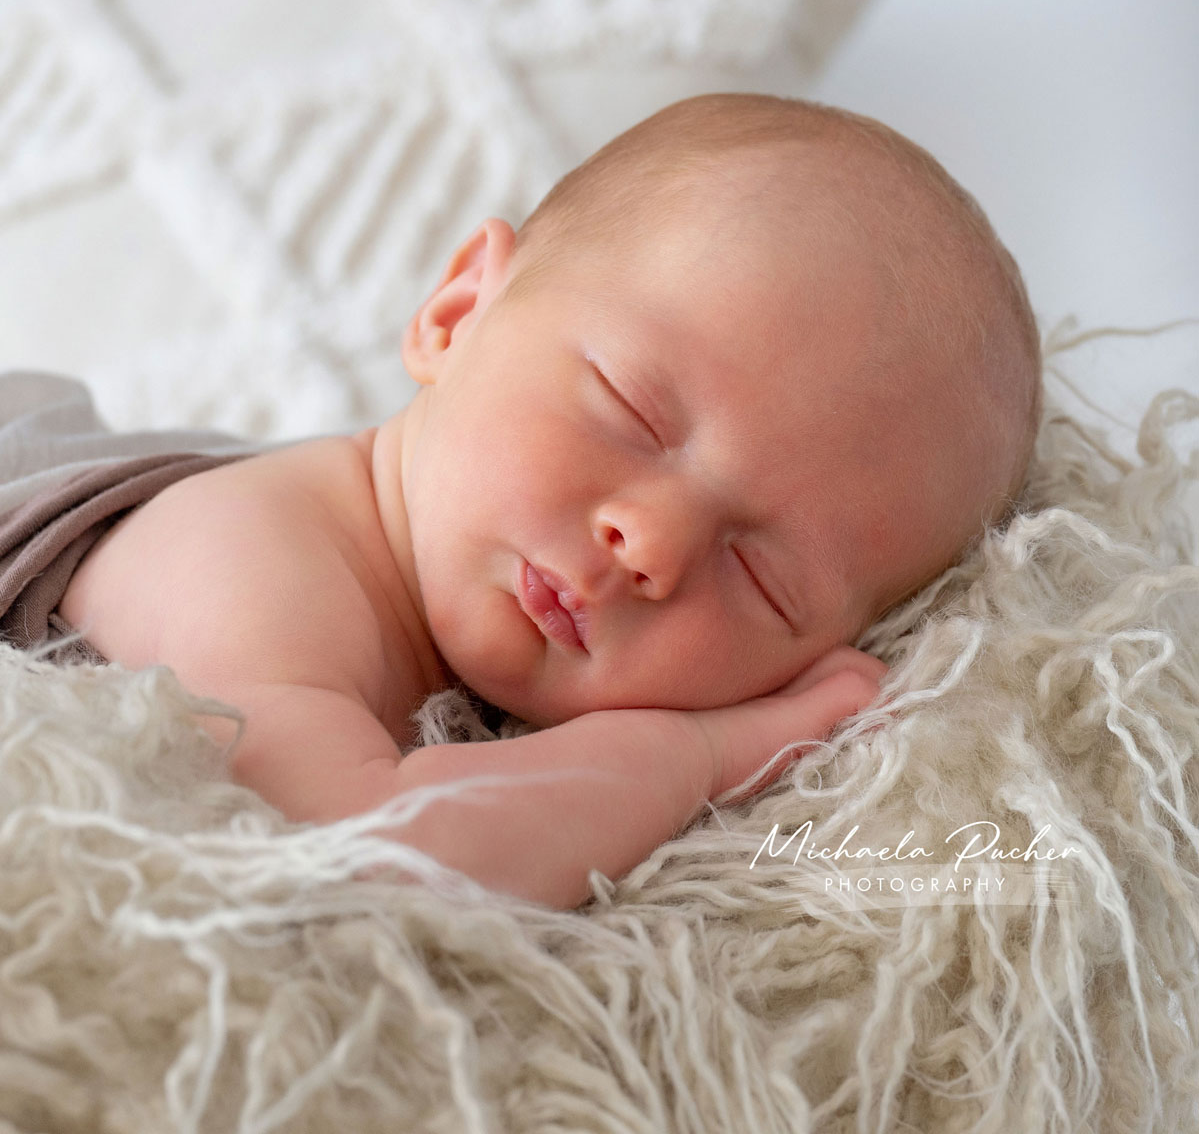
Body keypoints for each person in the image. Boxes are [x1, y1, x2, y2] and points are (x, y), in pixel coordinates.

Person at [14, 93, 1042, 909]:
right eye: (630, 412)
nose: (648, 542)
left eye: (760, 579)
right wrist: (696, 755)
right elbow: (361, 863)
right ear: (458, 313)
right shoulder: (258, 573)